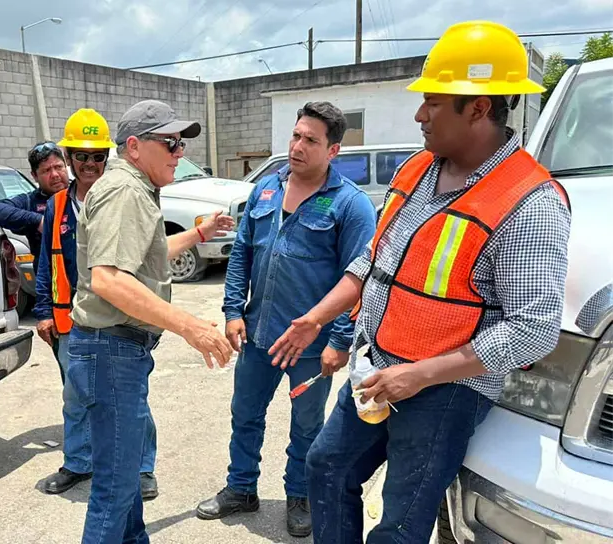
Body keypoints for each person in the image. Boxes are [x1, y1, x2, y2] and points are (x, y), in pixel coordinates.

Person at [267, 21, 571, 543]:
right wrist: (317, 317)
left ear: (478, 108)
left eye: (432, 102)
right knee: (327, 467)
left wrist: (420, 375)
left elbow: (533, 330)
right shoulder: (417, 169)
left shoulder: (529, 203)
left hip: (445, 391)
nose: (419, 114)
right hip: (380, 367)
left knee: (401, 523)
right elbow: (374, 259)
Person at [196, 102, 377, 536]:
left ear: (333, 150)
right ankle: (241, 488)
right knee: (245, 414)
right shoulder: (266, 189)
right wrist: (233, 311)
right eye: (296, 135)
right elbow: (242, 253)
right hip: (258, 335)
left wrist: (340, 341)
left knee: (307, 426)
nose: (298, 146)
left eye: (311, 140)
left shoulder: (350, 205)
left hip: (311, 347)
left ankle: (301, 495)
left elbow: (359, 278)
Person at [67, 99, 236, 544]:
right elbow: (109, 279)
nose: (180, 152)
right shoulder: (123, 191)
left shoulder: (135, 188)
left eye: (181, 143)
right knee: (115, 487)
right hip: (111, 350)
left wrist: (199, 234)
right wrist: (190, 327)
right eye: (171, 143)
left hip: (117, 350)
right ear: (135, 147)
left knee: (124, 483)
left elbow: (148, 256)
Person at [33, 109, 161, 499]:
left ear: (107, 157)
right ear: (69, 158)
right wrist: (43, 311)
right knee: (76, 396)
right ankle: (78, 462)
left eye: (97, 156)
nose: (90, 164)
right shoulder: (58, 205)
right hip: (72, 320)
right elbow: (47, 260)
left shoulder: (124, 195)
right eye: (81, 156)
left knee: (131, 398)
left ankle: (142, 468)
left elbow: (149, 259)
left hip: (119, 319)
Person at [0, 140, 70, 265]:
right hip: (48, 274)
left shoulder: (81, 193)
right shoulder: (30, 201)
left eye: (58, 167)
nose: (55, 175)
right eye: (46, 170)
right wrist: (38, 221)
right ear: (34, 176)